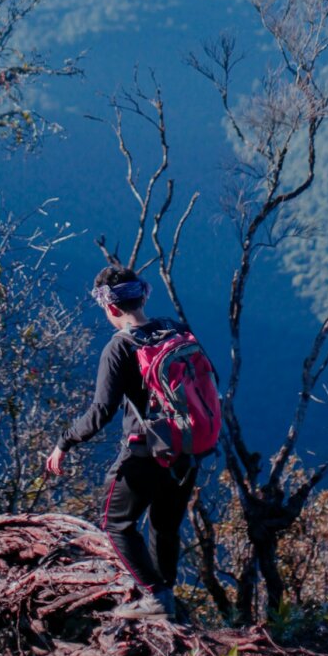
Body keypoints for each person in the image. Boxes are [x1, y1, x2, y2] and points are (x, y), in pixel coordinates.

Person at [44, 264, 199, 620]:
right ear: (142, 295)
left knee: (116, 524)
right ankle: (165, 596)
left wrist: (63, 443)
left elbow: (101, 412)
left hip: (145, 454)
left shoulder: (120, 347)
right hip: (186, 450)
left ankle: (157, 596)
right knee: (165, 525)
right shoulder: (176, 330)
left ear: (112, 308)